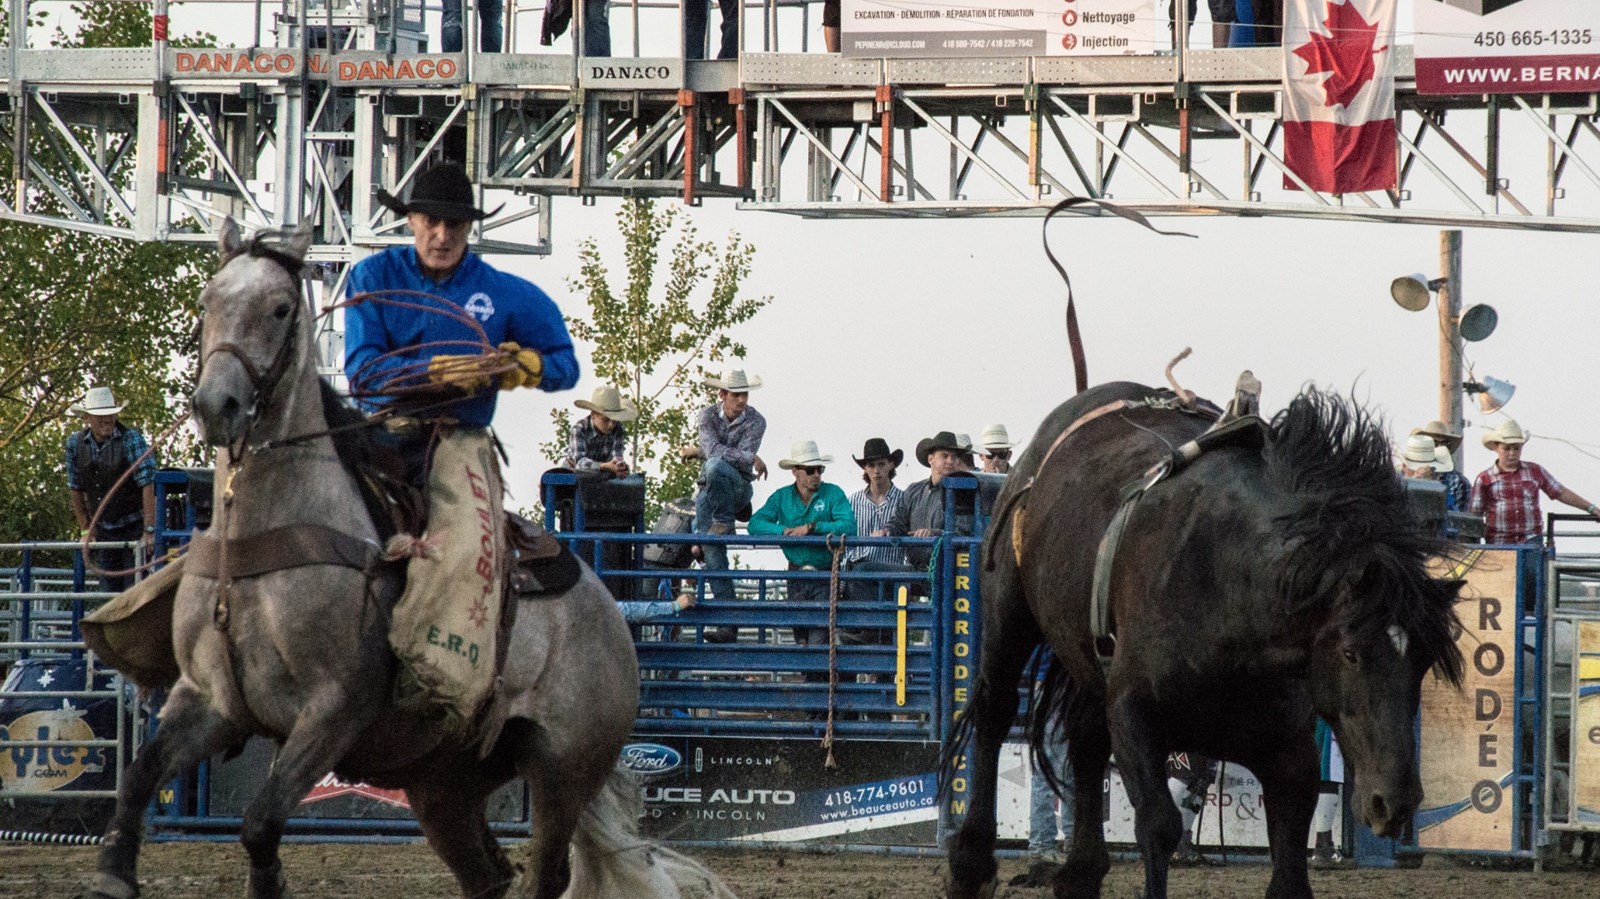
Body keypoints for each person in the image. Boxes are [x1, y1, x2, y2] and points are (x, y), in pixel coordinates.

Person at [344, 161, 579, 479]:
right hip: (378, 438)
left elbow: (566, 366)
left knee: (469, 530)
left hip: (460, 444)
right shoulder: (372, 276)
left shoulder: (506, 293)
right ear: (411, 220)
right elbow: (362, 373)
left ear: (469, 226)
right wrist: (434, 372)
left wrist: (529, 367)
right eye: (432, 221)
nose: (442, 236)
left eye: (454, 223)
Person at [681, 367, 767, 638]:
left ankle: (708, 527)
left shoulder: (757, 421)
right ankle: (727, 624)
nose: (742, 400)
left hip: (739, 487)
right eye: (736, 394)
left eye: (744, 395)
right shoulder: (706, 414)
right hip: (712, 489)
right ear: (723, 394)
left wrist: (702, 452)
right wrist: (746, 458)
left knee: (714, 466)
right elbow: (736, 454)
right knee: (714, 551)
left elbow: (716, 453)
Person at [746, 440, 855, 648]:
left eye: (819, 470)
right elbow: (755, 524)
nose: (816, 475)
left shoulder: (833, 493)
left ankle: (814, 678)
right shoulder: (781, 497)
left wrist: (813, 527)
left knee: (818, 636)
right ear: (795, 471)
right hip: (796, 576)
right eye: (810, 470)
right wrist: (783, 531)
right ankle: (814, 677)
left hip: (824, 574)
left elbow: (849, 526)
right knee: (802, 638)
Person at [66, 386, 157, 592]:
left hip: (134, 527)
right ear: (87, 418)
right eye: (100, 416)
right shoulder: (75, 444)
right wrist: (86, 529)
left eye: (110, 415)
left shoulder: (131, 439)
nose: (107, 420)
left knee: (134, 590)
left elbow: (148, 481)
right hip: (105, 530)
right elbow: (75, 487)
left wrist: (149, 529)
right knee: (107, 592)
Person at [1470, 419, 1600, 545]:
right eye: (1507, 448)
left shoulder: (1534, 471)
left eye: (1516, 448)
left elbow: (1560, 492)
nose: (1512, 453)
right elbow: (1475, 515)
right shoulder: (1485, 478)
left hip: (1530, 539)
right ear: (1496, 447)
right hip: (1499, 542)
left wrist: (1591, 508)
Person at [889, 431, 975, 570]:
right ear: (931, 459)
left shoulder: (963, 493)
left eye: (954, 457)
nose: (950, 461)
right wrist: (887, 530)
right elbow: (898, 523)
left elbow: (964, 532)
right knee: (863, 570)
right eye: (944, 456)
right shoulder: (913, 490)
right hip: (915, 568)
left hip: (946, 572)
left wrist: (933, 533)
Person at [567, 385, 636, 478]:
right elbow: (579, 462)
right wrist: (605, 466)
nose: (611, 425)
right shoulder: (579, 429)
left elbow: (617, 457)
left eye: (614, 420)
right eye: (606, 420)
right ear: (593, 414)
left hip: (599, 479)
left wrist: (620, 467)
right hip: (570, 478)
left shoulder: (618, 429)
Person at [1414, 420, 1470, 511]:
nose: (1439, 448)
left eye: (1444, 444)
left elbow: (1457, 519)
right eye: (1435, 443)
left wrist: (1432, 486)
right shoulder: (1412, 478)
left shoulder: (1459, 482)